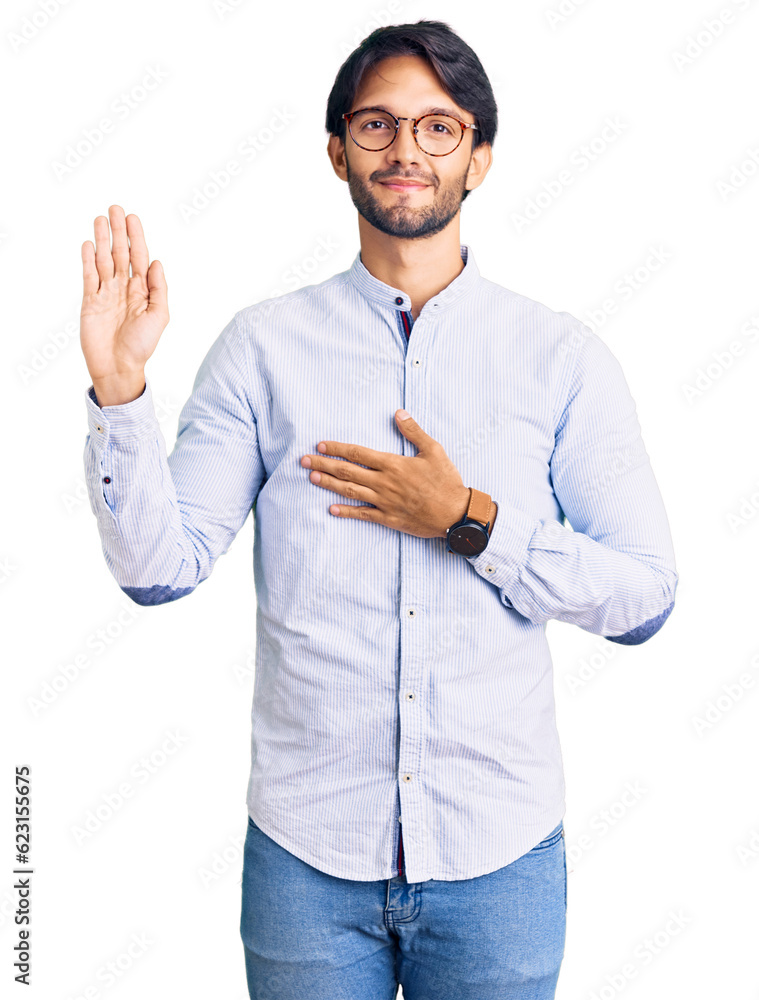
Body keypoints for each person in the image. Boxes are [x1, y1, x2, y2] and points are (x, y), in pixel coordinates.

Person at [79, 19, 678, 1000]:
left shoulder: (560, 359)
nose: (407, 150)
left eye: (439, 128)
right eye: (378, 125)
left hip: (501, 857)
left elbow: (645, 596)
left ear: (479, 156)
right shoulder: (262, 351)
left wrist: (471, 518)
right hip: (307, 860)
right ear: (336, 151)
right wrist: (119, 393)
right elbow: (159, 568)